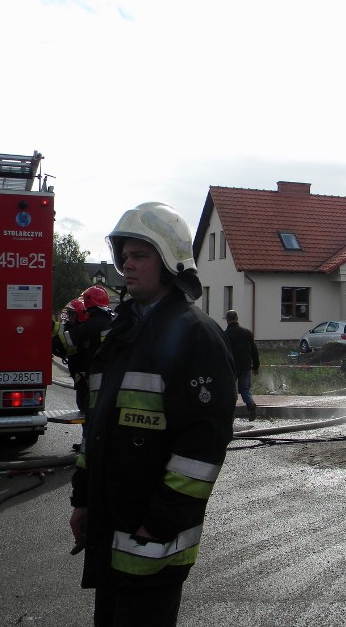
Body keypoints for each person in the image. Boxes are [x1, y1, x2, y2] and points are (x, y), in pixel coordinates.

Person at [69, 202, 236, 627]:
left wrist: (158, 527)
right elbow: (97, 428)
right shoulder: (120, 332)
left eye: (139, 255)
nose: (127, 265)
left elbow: (201, 450)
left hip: (154, 540)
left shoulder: (197, 337)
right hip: (109, 530)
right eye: (124, 256)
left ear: (168, 262)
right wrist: (83, 499)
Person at [53, 287, 114, 419]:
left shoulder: (94, 324)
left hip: (95, 374)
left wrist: (48, 344)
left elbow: (70, 338)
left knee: (89, 410)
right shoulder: (110, 320)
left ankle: (87, 438)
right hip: (108, 373)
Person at [224, 310, 260, 421]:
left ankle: (230, 414)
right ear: (237, 318)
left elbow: (223, 352)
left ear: (227, 320)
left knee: (230, 390)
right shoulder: (247, 333)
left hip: (231, 367)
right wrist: (255, 366)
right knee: (245, 389)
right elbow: (254, 350)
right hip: (246, 366)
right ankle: (250, 405)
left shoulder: (225, 334)